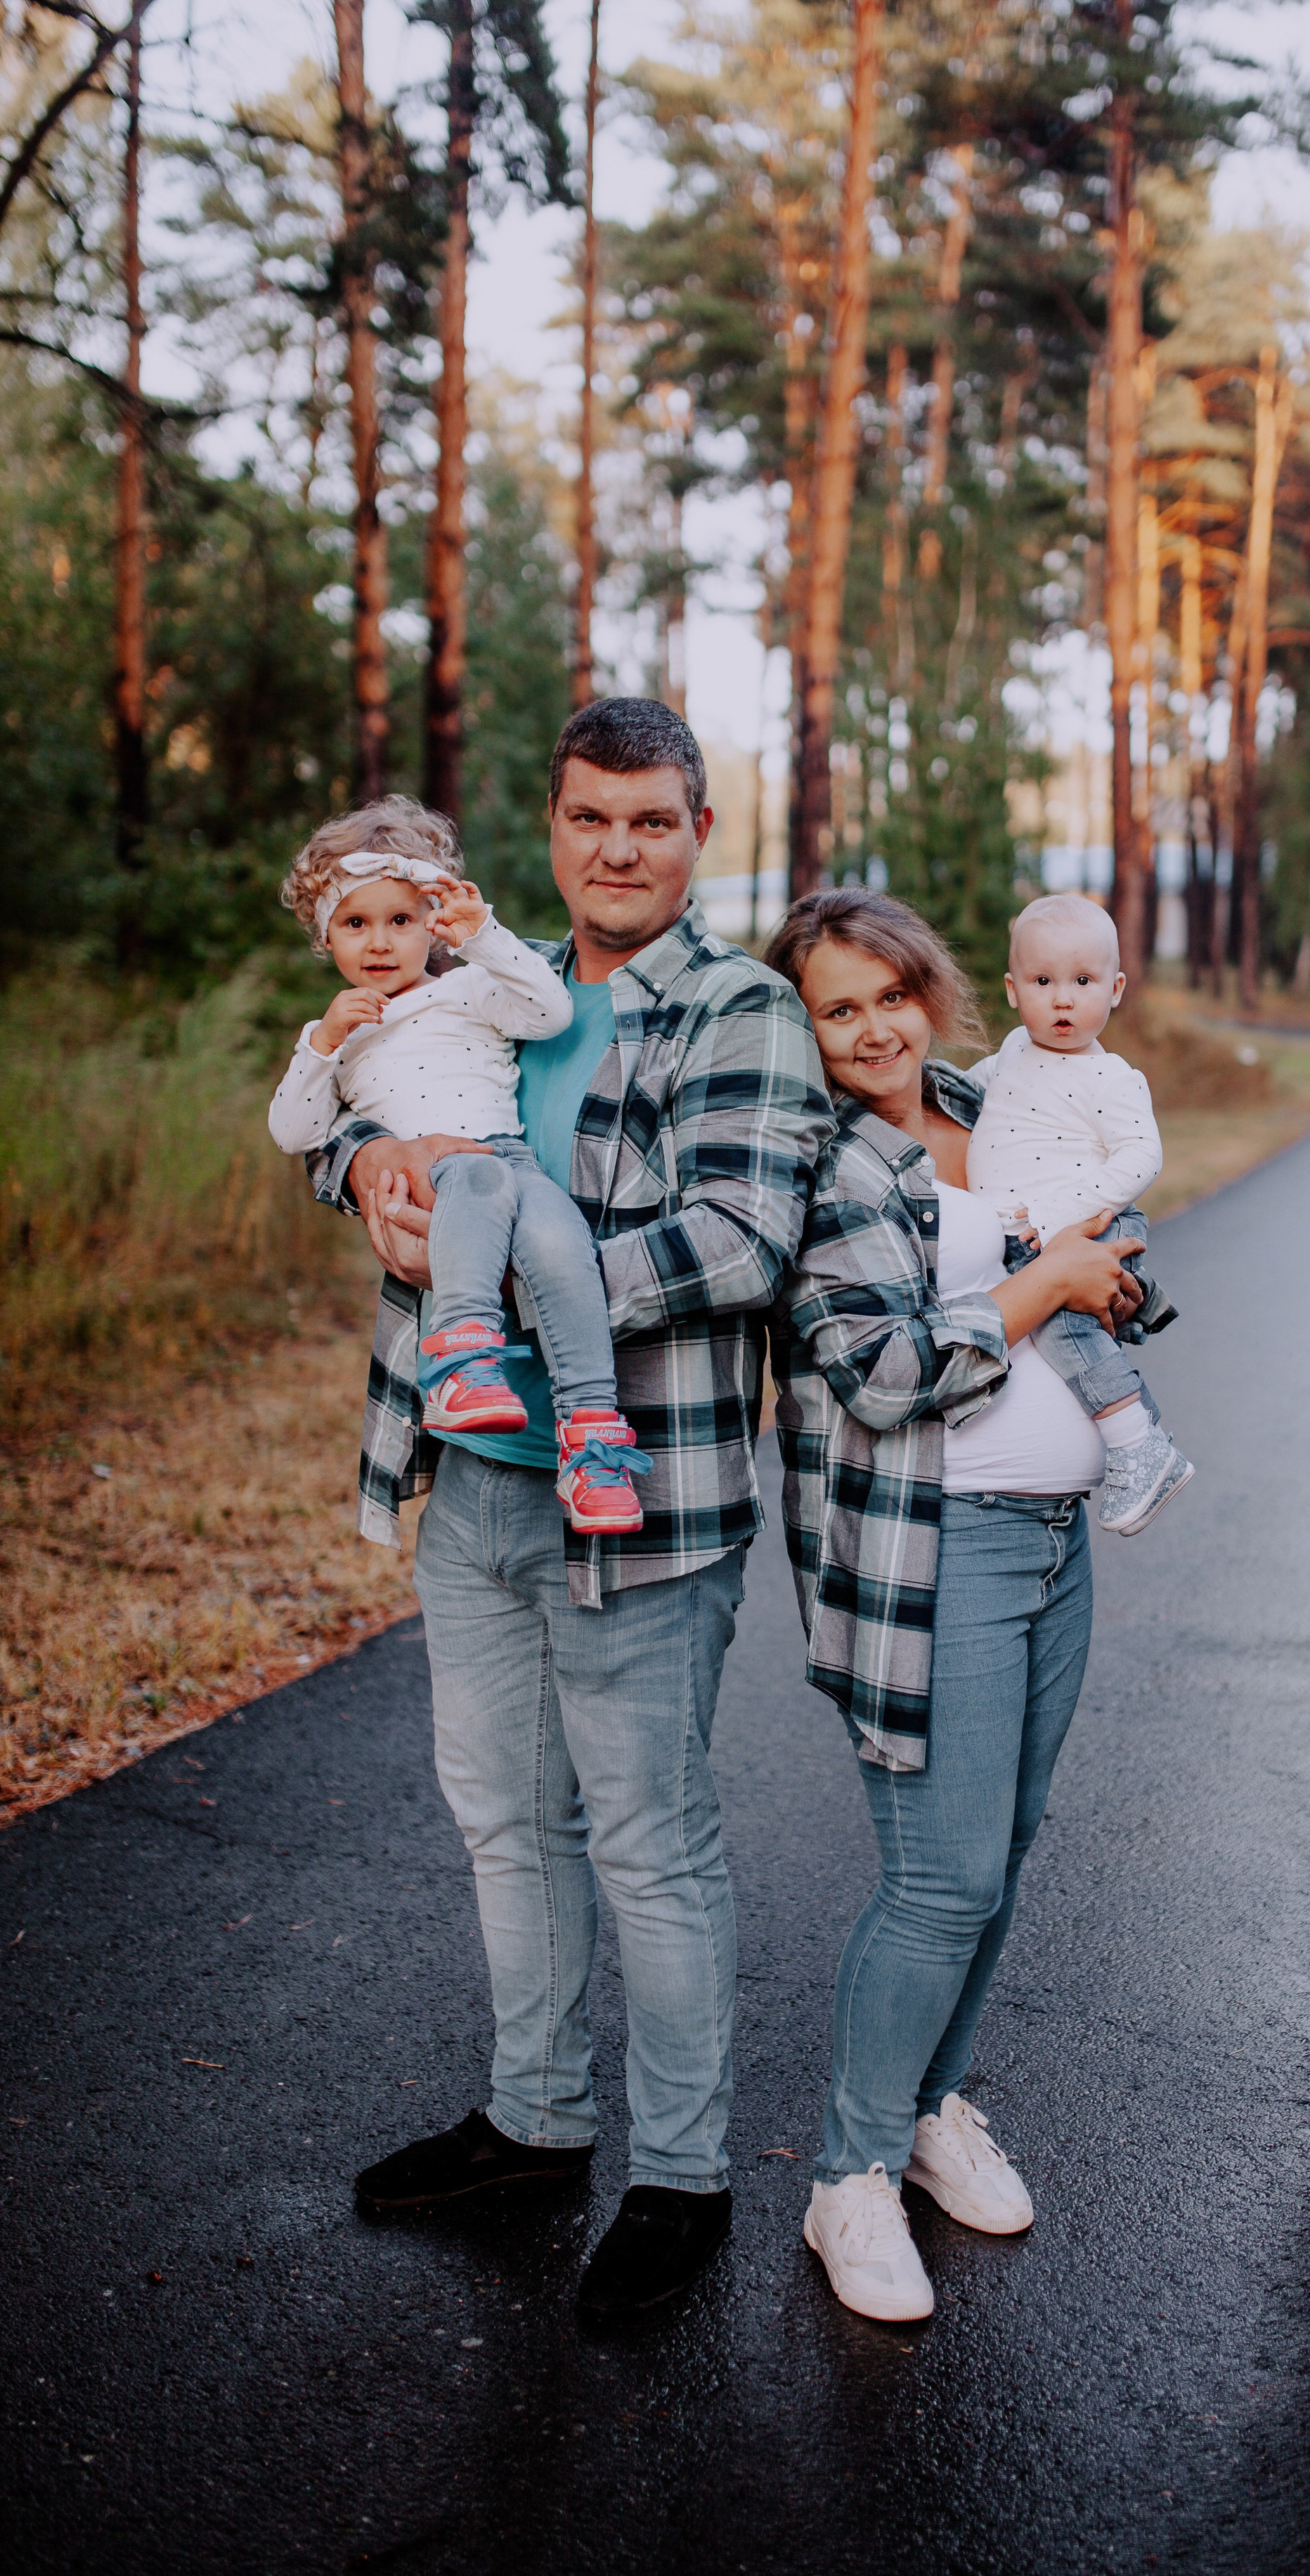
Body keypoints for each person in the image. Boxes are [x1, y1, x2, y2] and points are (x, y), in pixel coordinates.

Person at [306, 698, 833, 2323]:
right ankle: (534, 2118)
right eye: (589, 817)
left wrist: (506, 1281)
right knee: (501, 1814)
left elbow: (739, 1239)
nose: (617, 849)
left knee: (648, 1840)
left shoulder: (741, 1007)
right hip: (475, 1476)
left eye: (650, 820)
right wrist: (367, 1171)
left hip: (643, 1496)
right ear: (550, 826)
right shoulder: (480, 972)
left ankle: (679, 2175)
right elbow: (355, 1097)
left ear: (697, 834)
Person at [765, 885, 1163, 2324]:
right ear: (802, 1029)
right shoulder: (814, 1155)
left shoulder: (987, 1104)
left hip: (1052, 1542)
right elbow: (878, 1371)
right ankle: (849, 2176)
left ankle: (930, 2110)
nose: (875, 1029)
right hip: (931, 1550)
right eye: (838, 1008)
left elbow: (1092, 1238)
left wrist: (1106, 1281)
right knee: (939, 1879)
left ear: (932, 989)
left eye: (891, 994)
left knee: (1001, 1849)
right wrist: (1050, 1277)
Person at [268, 802, 649, 1535]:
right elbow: (296, 1131)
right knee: (477, 1177)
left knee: (566, 1246)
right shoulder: (337, 1031)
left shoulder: (469, 986)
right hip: (438, 1175)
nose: (380, 942)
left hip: (510, 1159)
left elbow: (550, 1012)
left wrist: (483, 936)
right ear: (325, 935)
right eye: (355, 923)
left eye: (401, 920)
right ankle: (463, 1361)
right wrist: (321, 1044)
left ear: (431, 923)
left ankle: (591, 1440)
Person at [966, 890, 1191, 1535]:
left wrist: (1061, 1214)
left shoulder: (1111, 1078)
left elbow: (1141, 1157)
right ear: (1013, 990)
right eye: (1043, 982)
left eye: (1083, 982)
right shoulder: (1013, 1050)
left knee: (1061, 1328)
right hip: (1030, 1232)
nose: (1062, 1000)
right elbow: (970, 1093)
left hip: (1087, 1224)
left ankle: (1138, 1442)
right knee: (1035, 1321)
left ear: (1115, 990)